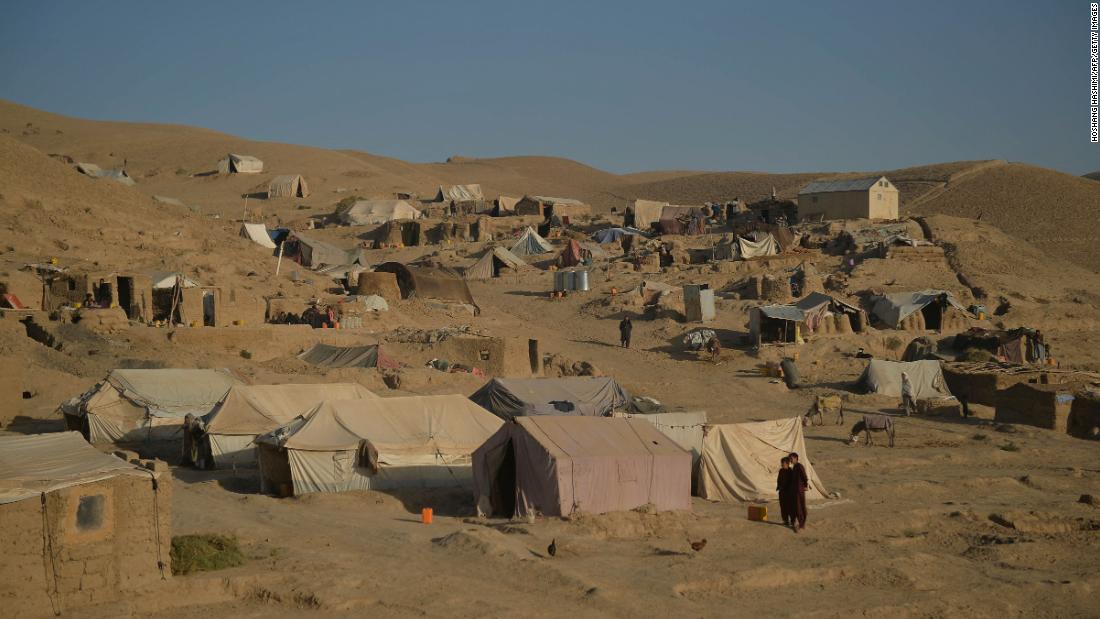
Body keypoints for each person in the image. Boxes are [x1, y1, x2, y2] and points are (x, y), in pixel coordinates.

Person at [786, 452, 809, 532]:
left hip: (799, 490)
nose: (790, 460)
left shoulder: (799, 466)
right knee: (794, 506)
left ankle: (801, 524)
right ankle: (795, 522)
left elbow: (804, 476)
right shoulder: (795, 467)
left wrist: (805, 486)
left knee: (799, 506)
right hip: (794, 490)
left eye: (791, 458)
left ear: (796, 458)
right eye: (790, 459)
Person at [776, 457, 792, 527]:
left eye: (783, 463)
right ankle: (785, 520)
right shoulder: (781, 471)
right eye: (782, 463)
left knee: (790, 507)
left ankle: (792, 521)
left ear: (787, 464)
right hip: (782, 491)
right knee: (783, 507)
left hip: (788, 492)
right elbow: (779, 479)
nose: (782, 465)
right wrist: (778, 487)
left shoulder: (791, 472)